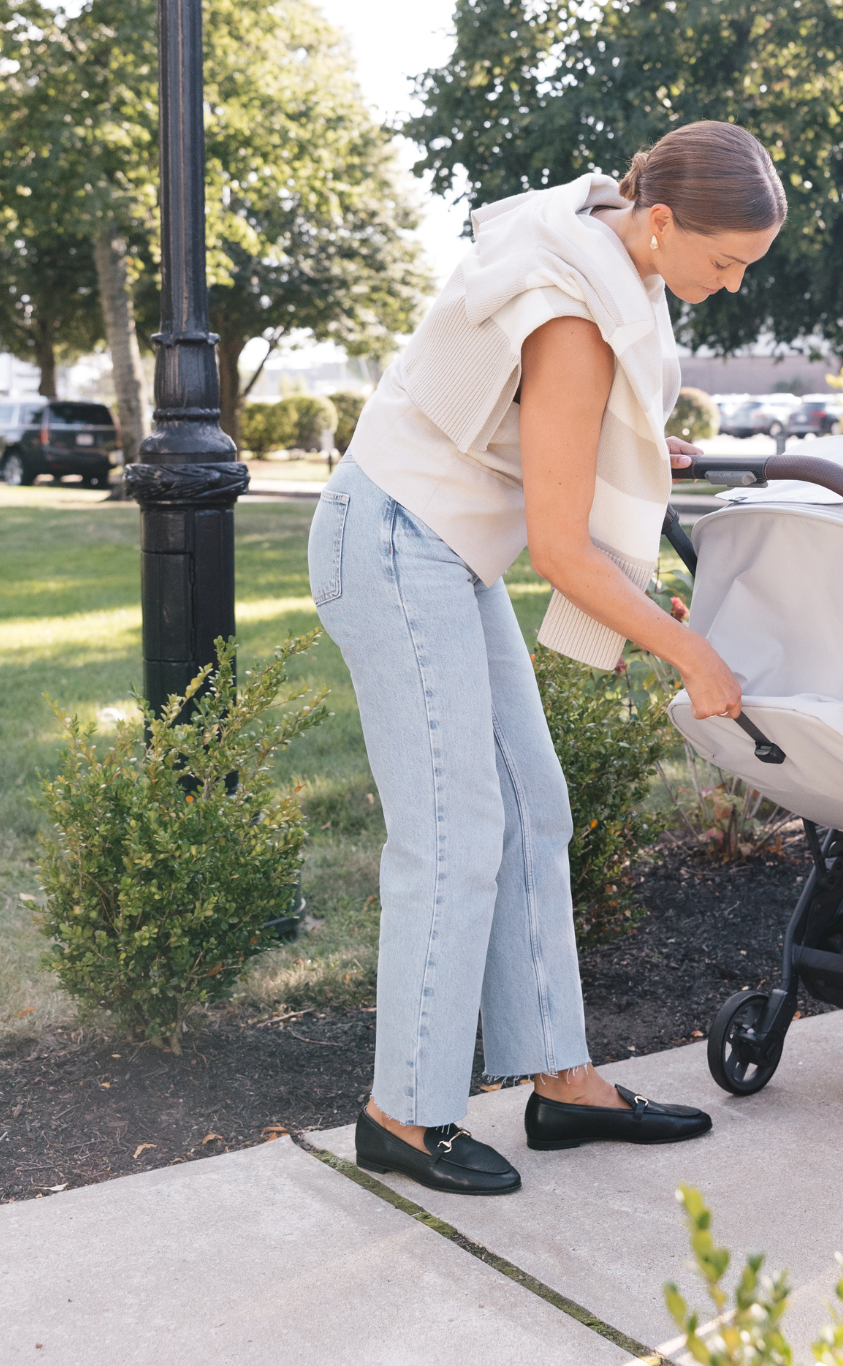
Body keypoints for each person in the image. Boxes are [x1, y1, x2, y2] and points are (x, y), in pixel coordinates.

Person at [309, 121, 786, 1196]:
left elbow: (571, 512)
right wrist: (684, 650)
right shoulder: (569, 315)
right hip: (391, 543)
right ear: (659, 219)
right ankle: (404, 1111)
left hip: (442, 548)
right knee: (452, 830)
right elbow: (561, 550)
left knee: (532, 803)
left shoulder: (596, 231)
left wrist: (638, 598)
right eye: (722, 260)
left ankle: (560, 1082)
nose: (727, 283)